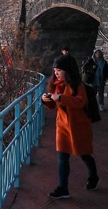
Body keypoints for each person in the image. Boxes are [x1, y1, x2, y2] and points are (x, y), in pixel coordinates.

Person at [42, 54, 99, 199]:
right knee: (62, 157)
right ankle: (63, 188)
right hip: (62, 127)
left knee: (84, 154)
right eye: (55, 70)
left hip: (78, 126)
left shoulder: (78, 86)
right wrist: (46, 100)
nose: (56, 73)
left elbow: (80, 102)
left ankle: (93, 176)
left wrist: (61, 98)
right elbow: (53, 106)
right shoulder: (56, 86)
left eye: (59, 70)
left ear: (67, 71)